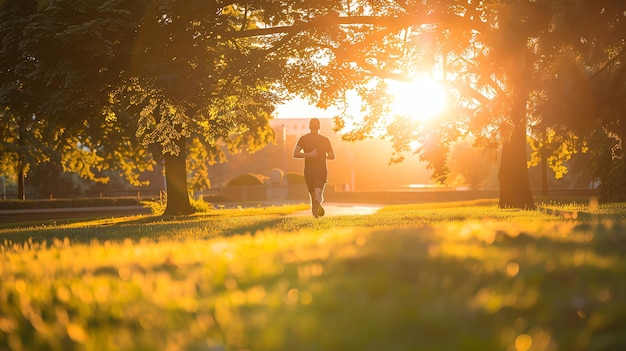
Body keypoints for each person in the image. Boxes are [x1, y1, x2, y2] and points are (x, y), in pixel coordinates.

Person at [293, 118, 335, 218]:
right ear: (319, 127)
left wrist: (309, 154)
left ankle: (315, 217)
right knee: (318, 195)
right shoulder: (325, 140)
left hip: (308, 171)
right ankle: (318, 201)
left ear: (309, 127)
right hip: (321, 170)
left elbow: (295, 154)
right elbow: (332, 156)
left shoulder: (303, 139)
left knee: (312, 196)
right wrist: (323, 156)